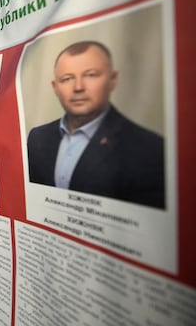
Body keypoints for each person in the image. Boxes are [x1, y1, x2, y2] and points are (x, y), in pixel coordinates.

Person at [27, 40, 165, 209]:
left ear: (112, 80)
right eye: (67, 78)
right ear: (55, 87)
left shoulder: (149, 148)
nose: (78, 87)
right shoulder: (37, 138)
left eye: (91, 75)